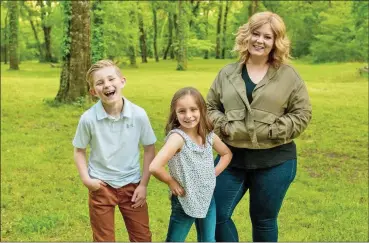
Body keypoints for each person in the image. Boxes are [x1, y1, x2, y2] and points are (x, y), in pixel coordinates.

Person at [206, 11, 312, 242]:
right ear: (247, 35)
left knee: (263, 221)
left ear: (276, 42)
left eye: (267, 37)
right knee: (214, 213)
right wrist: (225, 126)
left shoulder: (289, 76)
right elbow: (210, 107)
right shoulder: (227, 73)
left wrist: (270, 131)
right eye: (256, 34)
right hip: (231, 158)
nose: (260, 41)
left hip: (275, 161)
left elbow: (302, 114)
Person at [72, 60, 156, 242]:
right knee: (103, 239)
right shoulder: (88, 119)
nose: (107, 85)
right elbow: (79, 150)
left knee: (142, 237)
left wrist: (143, 185)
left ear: (122, 81)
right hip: (101, 187)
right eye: (100, 83)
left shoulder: (139, 114)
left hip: (133, 186)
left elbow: (149, 148)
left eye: (111, 79)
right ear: (93, 91)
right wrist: (87, 179)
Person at [149, 87, 232, 242]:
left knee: (208, 240)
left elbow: (226, 154)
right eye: (182, 111)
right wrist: (171, 182)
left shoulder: (208, 135)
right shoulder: (177, 138)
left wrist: (213, 173)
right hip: (185, 199)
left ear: (202, 110)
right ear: (175, 113)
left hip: (207, 198)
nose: (188, 116)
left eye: (193, 109)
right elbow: (154, 166)